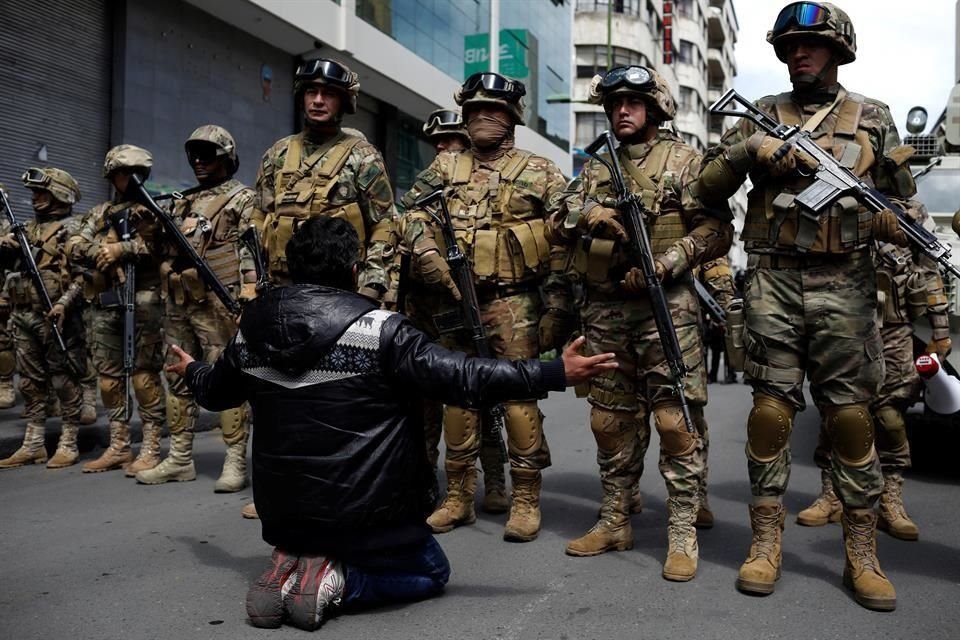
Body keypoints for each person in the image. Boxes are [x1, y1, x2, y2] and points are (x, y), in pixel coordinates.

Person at [166, 215, 617, 631]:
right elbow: (465, 376)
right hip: (363, 515)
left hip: (281, 513)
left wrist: (190, 370)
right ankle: (336, 580)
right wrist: (556, 372)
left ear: (290, 266)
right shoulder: (380, 330)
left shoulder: (252, 331)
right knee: (429, 571)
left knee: (313, 528)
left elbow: (215, 392)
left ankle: (296, 556)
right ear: (354, 268)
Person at [696, 1, 920, 610]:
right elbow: (704, 187)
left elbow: (902, 200)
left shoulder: (872, 116)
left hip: (846, 282)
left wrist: (898, 228)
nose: (801, 53)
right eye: (792, 45)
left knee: (850, 417)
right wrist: (753, 154)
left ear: (837, 49)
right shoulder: (761, 116)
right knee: (769, 413)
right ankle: (765, 542)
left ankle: (860, 554)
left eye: (813, 44)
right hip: (772, 280)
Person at [546, 66, 732, 579]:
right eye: (614, 103)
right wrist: (587, 216)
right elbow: (557, 214)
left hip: (666, 308)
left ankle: (681, 528)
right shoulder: (596, 166)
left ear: (654, 107)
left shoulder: (685, 161)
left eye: (632, 102)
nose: (621, 110)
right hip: (605, 310)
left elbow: (717, 229)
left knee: (675, 421)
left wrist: (668, 262)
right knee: (608, 420)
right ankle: (613, 518)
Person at [400, 72, 568, 541]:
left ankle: (526, 499)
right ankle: (458, 497)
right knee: (457, 396)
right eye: (473, 111)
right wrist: (428, 252)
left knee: (518, 400)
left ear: (512, 117)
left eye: (492, 110)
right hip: (454, 301)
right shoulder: (443, 168)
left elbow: (562, 242)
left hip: (514, 303)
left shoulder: (540, 170)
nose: (481, 119)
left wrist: (557, 308)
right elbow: (410, 215)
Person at [797, 228, 950, 540]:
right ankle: (832, 494)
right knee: (836, 412)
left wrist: (941, 331)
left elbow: (930, 270)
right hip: (842, 322)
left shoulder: (911, 213)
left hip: (895, 328)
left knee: (890, 415)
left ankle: (891, 500)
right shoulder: (838, 198)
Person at [135, 125, 254, 493]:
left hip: (219, 302)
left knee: (226, 376)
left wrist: (250, 289)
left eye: (209, 154)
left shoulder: (241, 199)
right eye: (195, 155)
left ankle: (235, 460)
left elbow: (251, 246)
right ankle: (180, 458)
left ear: (227, 158)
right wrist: (150, 231)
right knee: (176, 374)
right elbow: (161, 255)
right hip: (179, 302)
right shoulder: (179, 202)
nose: (200, 161)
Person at [251, 57, 397, 300]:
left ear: (343, 102)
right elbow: (257, 218)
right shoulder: (278, 153)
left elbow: (384, 225)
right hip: (281, 289)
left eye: (328, 94)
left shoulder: (363, 156)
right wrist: (250, 279)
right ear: (302, 97)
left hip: (342, 295)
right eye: (311, 92)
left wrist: (370, 289)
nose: (318, 100)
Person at [66, 145, 167, 474]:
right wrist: (102, 249)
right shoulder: (99, 212)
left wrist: (123, 248)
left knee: (143, 377)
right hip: (108, 302)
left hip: (144, 302)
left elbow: (162, 245)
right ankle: (119, 445)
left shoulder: (155, 207)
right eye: (123, 173)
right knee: (109, 380)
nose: (129, 179)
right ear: (112, 176)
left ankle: (151, 445)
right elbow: (73, 244)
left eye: (135, 173)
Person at [0, 169, 88, 470]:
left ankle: (69, 442)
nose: (35, 198)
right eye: (34, 193)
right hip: (24, 314)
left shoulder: (74, 229)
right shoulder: (23, 229)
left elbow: (83, 276)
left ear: (60, 195)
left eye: (42, 193)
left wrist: (64, 303)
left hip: (57, 316)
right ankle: (34, 443)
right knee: (29, 382)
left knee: (64, 380)